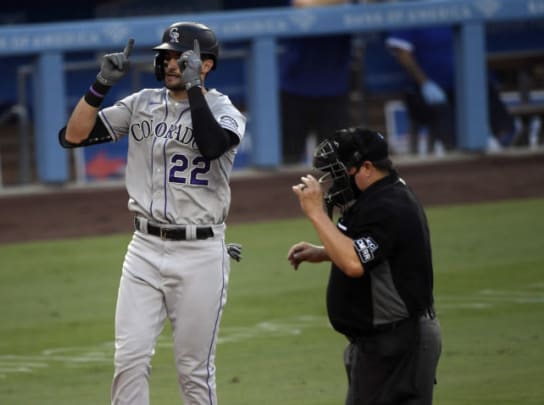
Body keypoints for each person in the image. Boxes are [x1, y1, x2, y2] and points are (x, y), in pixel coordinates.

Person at [58, 21, 246, 405]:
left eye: (181, 57)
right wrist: (100, 86)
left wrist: (194, 89)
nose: (171, 63)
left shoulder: (225, 110)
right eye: (167, 56)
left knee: (194, 371)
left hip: (200, 254)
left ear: (205, 64)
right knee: (128, 360)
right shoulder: (141, 103)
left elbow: (211, 146)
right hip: (143, 248)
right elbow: (72, 136)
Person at [287, 127, 441, 404]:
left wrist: (315, 214)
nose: (333, 182)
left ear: (367, 167)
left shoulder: (388, 205)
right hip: (384, 341)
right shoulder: (378, 196)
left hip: (397, 341)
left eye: (340, 172)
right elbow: (373, 250)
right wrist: (323, 252)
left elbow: (354, 263)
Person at [386, 24, 516, 154]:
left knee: (485, 91)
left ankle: (503, 143)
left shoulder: (456, 10)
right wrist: (425, 84)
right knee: (443, 113)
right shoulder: (411, 14)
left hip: (461, 85)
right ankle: (459, 151)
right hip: (424, 91)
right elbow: (403, 54)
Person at [279, 0, 354, 165]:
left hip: (335, 91)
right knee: (288, 158)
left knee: (336, 162)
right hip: (295, 89)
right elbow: (300, 3)